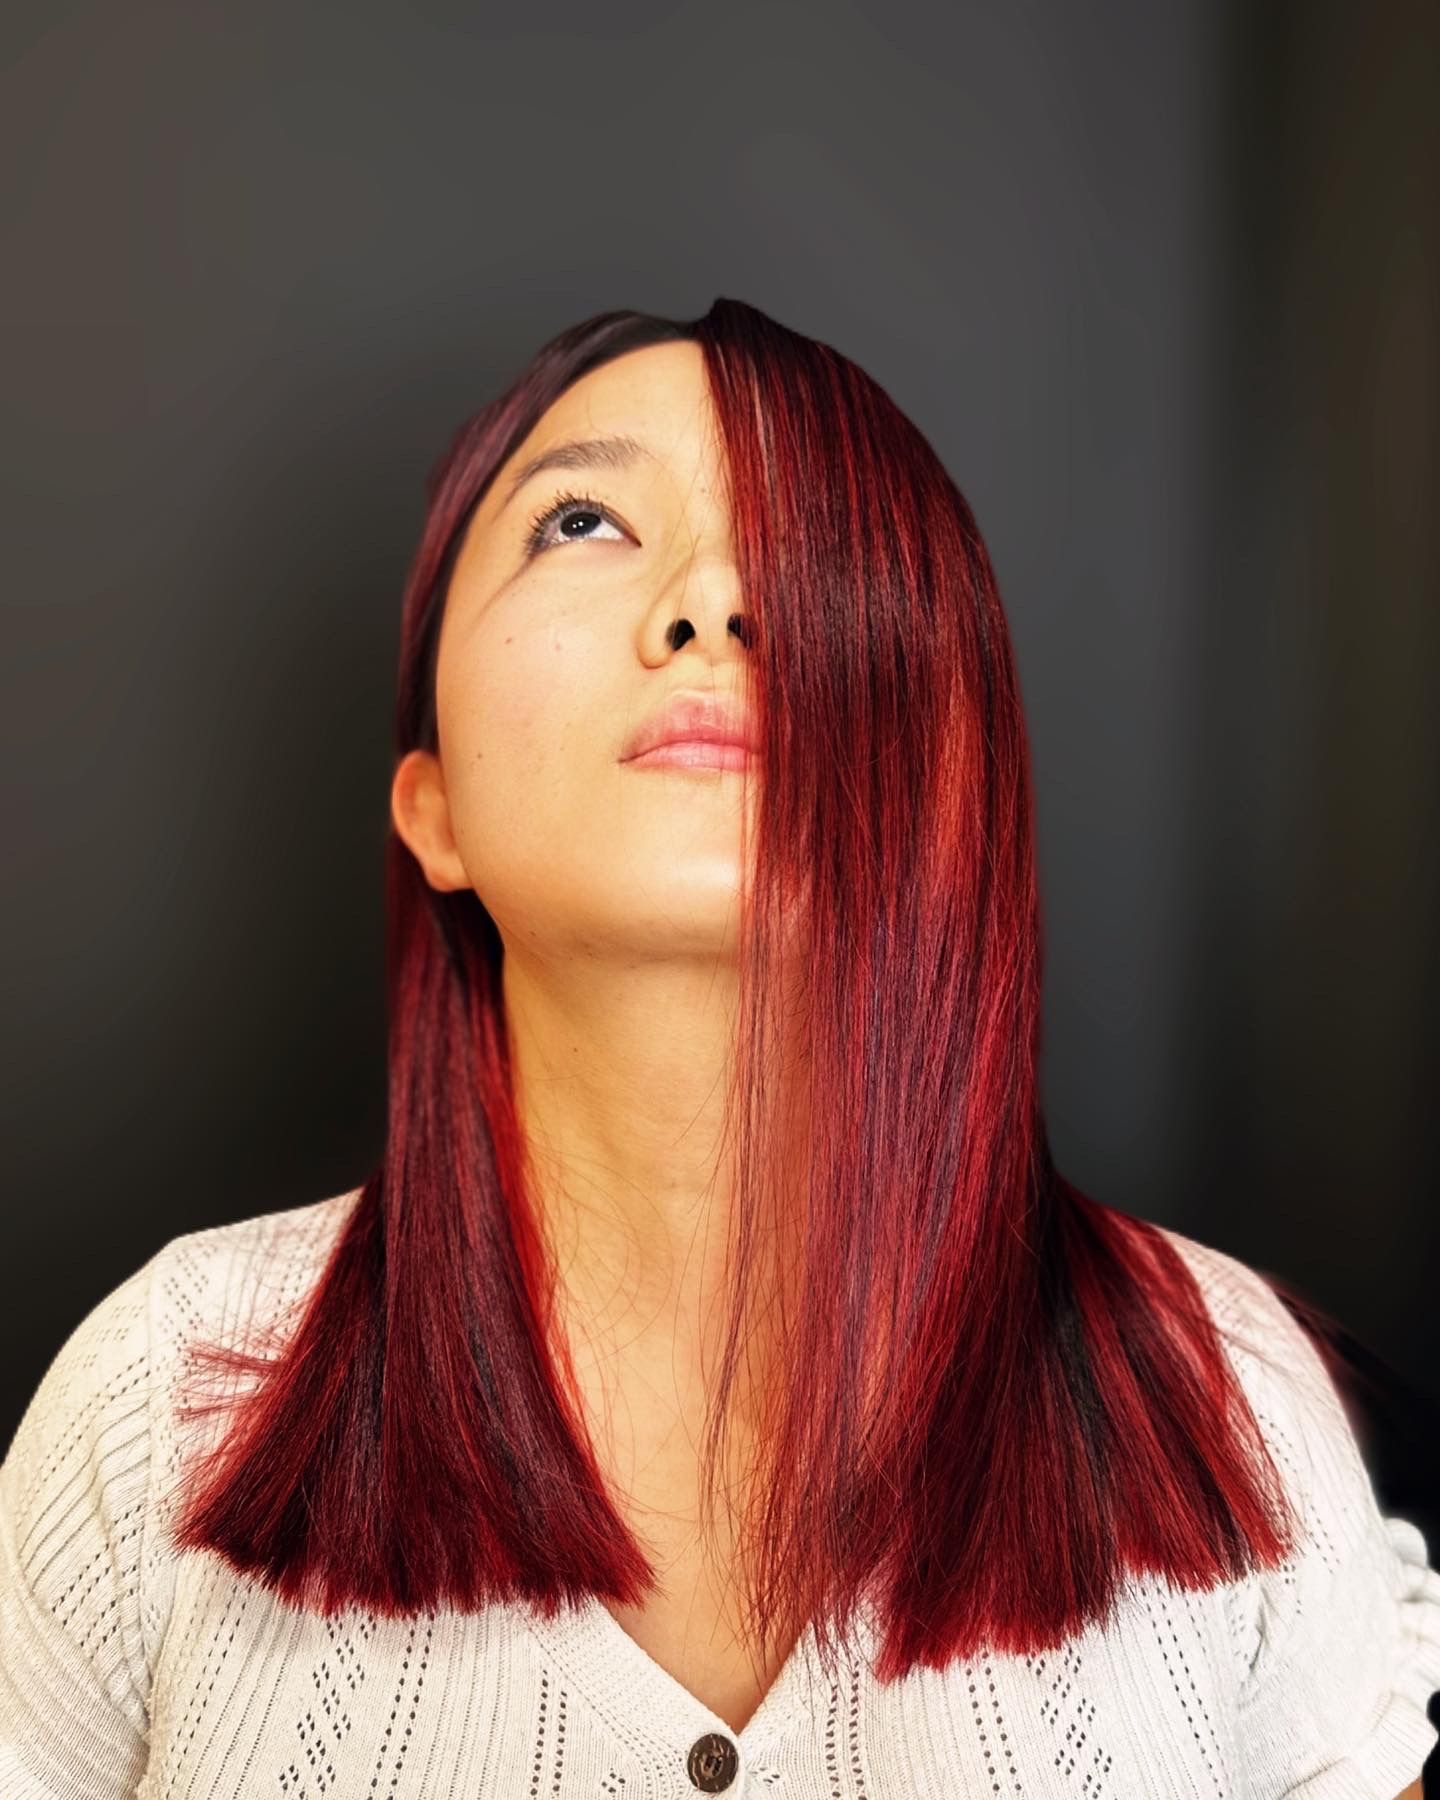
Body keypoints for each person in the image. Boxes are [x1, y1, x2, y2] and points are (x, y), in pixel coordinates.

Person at [2, 298, 1437, 1798]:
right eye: (580, 522)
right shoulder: (158, 1407)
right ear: (434, 811)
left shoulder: (1229, 1409)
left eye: (809, 539)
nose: (709, 604)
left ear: (955, 780)